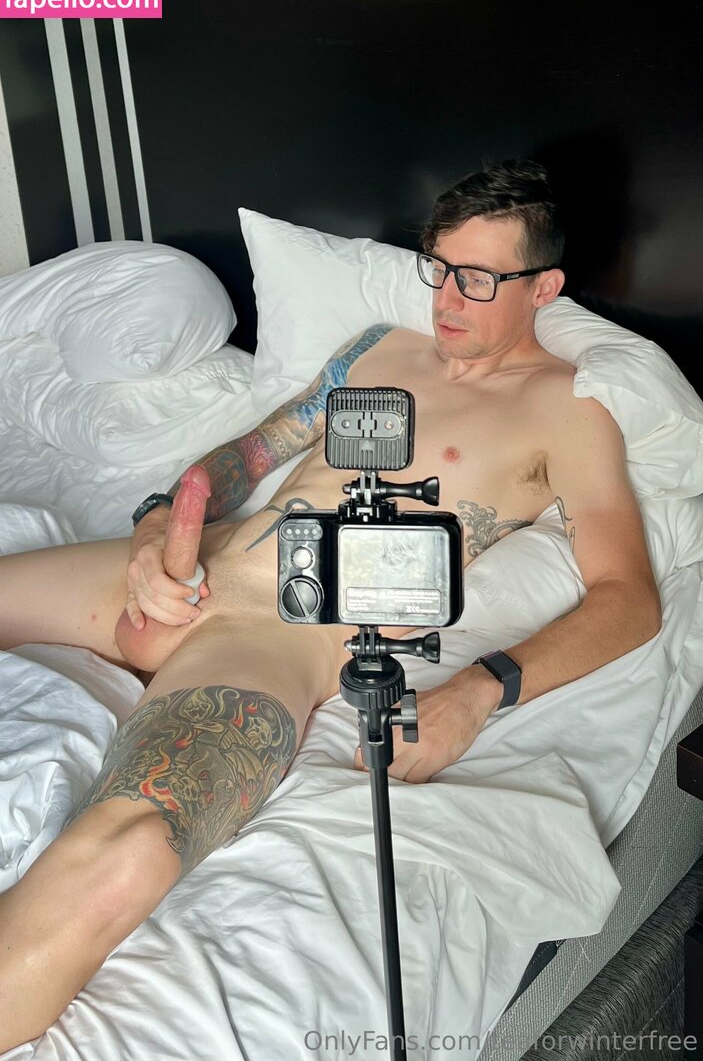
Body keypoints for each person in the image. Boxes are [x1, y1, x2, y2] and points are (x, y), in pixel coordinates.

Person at [0, 160, 661, 1049]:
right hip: (192, 565)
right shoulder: (379, 350)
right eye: (438, 267)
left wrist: (478, 691)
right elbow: (244, 455)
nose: (447, 300)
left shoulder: (567, 411)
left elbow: (628, 600)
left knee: (133, 843)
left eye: (478, 279)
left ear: (543, 287)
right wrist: (164, 522)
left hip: (273, 635)